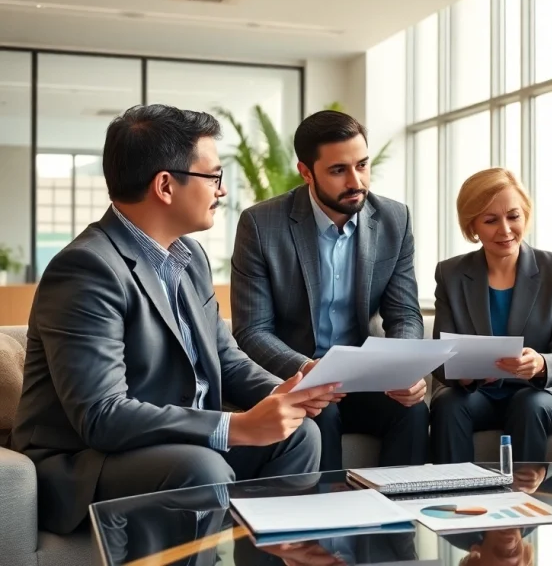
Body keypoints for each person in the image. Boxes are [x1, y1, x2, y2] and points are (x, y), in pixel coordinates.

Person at [10, 104, 335, 535]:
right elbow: (103, 415)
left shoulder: (190, 258)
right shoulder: (86, 268)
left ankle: (275, 557)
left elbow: (224, 357)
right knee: (200, 466)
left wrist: (286, 391)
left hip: (177, 445)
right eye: (214, 176)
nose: (222, 191)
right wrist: (235, 427)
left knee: (298, 434)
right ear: (165, 185)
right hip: (87, 460)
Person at [231, 110, 427, 471]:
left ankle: (401, 522)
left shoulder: (393, 220)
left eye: (362, 165)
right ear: (306, 172)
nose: (357, 181)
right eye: (339, 170)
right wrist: (307, 368)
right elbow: (251, 330)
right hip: (298, 373)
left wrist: (404, 366)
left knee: (412, 411)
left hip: (365, 374)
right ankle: (329, 523)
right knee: (322, 414)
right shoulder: (261, 224)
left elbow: (404, 314)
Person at [430, 168, 552, 463]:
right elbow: (441, 358)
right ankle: (451, 497)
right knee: (449, 404)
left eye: (513, 216)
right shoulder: (450, 274)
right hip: (479, 394)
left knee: (528, 406)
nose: (505, 230)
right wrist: (462, 374)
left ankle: (528, 504)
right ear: (472, 225)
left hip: (540, 393)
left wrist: (540, 363)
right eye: (490, 220)